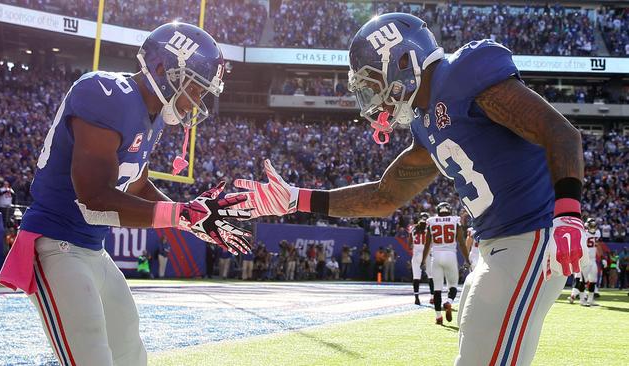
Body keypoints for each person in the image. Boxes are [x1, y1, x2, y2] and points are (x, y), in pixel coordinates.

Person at [228, 13, 588, 365]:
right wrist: (297, 199)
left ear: (402, 60)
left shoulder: (465, 72)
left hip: (532, 236)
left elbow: (561, 133)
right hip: (499, 245)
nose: (373, 98)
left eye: (372, 83)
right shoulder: (425, 122)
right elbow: (385, 196)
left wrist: (569, 215)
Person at [0, 23, 252, 366]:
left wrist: (193, 219)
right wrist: (180, 214)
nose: (198, 101)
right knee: (91, 355)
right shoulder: (105, 92)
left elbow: (137, 186)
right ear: (164, 69)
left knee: (131, 353)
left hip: (93, 250)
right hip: (55, 244)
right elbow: (94, 198)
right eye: (196, 87)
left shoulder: (151, 117)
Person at [421, 202, 470, 325]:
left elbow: (427, 244)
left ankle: (438, 317)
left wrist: (423, 260)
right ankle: (449, 301)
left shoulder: (431, 221)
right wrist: (467, 259)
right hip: (450, 255)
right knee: (453, 285)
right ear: (449, 210)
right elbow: (461, 243)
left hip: (435, 256)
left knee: (437, 289)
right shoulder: (455, 220)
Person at [408, 212, 429, 305]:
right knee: (431, 276)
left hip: (416, 255)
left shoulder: (413, 228)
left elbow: (409, 245)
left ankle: (416, 298)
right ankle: (433, 296)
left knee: (416, 277)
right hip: (426, 254)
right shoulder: (429, 228)